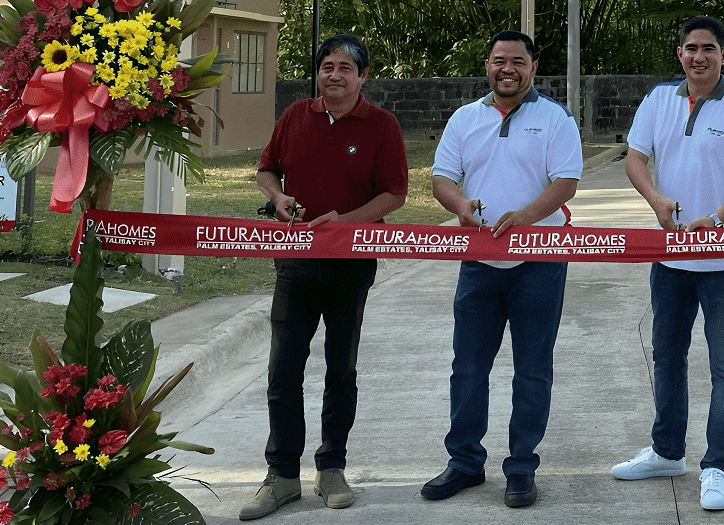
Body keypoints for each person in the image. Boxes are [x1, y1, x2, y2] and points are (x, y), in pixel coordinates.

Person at [242, 35, 410, 520]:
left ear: (363, 76)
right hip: (294, 261)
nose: (333, 75)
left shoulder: (382, 126)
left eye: (344, 68)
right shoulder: (295, 117)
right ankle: (282, 476)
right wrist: (278, 199)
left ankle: (331, 466)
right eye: (326, 66)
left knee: (341, 367)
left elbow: (394, 194)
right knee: (283, 368)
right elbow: (267, 170)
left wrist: (346, 223)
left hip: (352, 264)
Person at [611, 15, 724, 512]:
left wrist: (718, 218)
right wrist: (657, 201)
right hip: (671, 257)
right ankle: (667, 451)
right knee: (667, 355)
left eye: (708, 48)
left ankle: (717, 466)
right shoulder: (659, 98)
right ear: (678, 53)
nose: (698, 56)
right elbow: (636, 156)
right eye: (689, 48)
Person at [421, 30, 583, 510]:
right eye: (498, 60)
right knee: (468, 367)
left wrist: (527, 217)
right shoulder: (464, 118)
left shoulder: (555, 119)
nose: (506, 68)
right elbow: (442, 178)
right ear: (487, 65)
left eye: (517, 60)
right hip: (478, 262)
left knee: (532, 369)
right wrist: (460, 205)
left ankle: (521, 467)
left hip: (541, 262)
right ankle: (465, 463)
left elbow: (567, 181)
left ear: (533, 66)